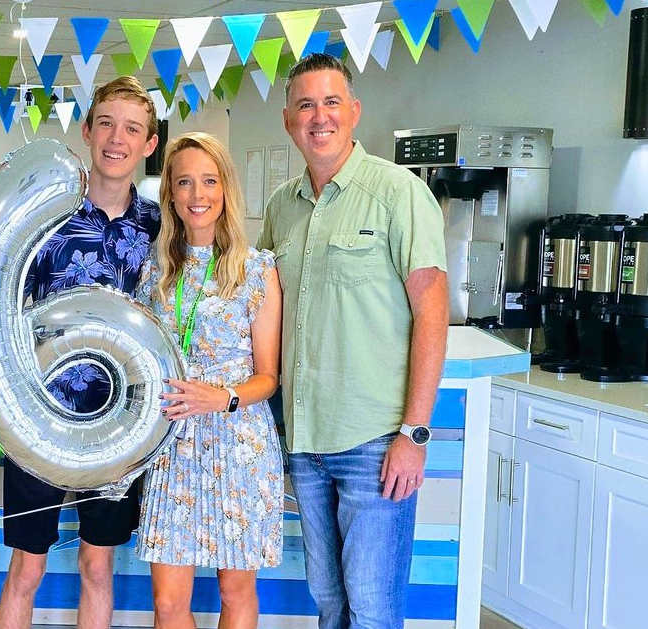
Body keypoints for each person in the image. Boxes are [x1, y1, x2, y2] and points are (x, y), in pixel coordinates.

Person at [0, 75, 161, 629]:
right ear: (86, 130)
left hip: (120, 426)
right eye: (105, 123)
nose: (116, 138)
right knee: (26, 569)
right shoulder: (44, 211)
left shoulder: (159, 224)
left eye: (132, 128)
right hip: (33, 415)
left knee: (97, 566)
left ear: (149, 144)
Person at [257, 53, 450, 629]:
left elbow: (432, 315)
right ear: (289, 120)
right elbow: (264, 311)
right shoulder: (280, 208)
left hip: (374, 440)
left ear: (355, 112)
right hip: (303, 437)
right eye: (306, 105)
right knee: (329, 599)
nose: (320, 117)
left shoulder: (398, 194)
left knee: (371, 606)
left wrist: (414, 433)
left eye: (332, 102)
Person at [133, 132, 284, 629]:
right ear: (171, 195)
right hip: (173, 443)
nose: (198, 195)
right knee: (168, 602)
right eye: (185, 183)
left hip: (237, 444)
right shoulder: (156, 270)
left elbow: (269, 376)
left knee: (234, 592)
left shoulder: (257, 270)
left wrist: (223, 398)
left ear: (226, 189)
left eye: (209, 181)